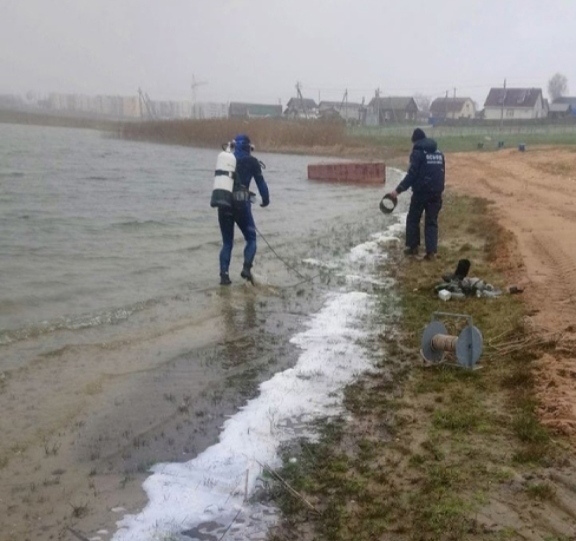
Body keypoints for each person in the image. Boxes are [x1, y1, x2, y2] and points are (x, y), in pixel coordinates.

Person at [386, 128, 445, 260]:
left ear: (416, 141)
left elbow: (412, 174)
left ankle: (413, 248)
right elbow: (441, 172)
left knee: (413, 218)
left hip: (421, 192)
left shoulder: (418, 153)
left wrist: (398, 190)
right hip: (436, 192)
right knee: (431, 221)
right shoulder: (439, 153)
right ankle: (431, 253)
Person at [218, 134, 270, 285]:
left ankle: (224, 276)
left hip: (224, 204)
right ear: (248, 147)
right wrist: (265, 200)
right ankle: (246, 268)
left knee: (227, 243)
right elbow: (261, 183)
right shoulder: (252, 162)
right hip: (242, 205)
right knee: (251, 238)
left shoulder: (227, 160)